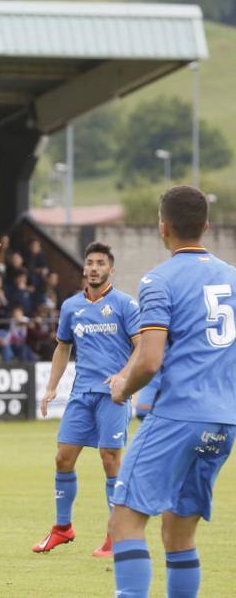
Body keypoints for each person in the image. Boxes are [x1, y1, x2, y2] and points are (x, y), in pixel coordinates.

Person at [108, 186, 236, 598]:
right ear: (206, 226)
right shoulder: (233, 278)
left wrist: (122, 388)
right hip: (223, 420)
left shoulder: (158, 281)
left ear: (162, 227)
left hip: (179, 414)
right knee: (179, 534)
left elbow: (149, 361)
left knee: (125, 520)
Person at [33, 242, 141, 558]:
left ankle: (116, 534)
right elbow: (63, 347)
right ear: (84, 268)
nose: (94, 268)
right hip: (81, 394)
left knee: (110, 460)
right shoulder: (70, 307)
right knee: (63, 458)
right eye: (90, 263)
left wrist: (123, 377)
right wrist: (52, 386)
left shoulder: (125, 304)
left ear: (111, 269)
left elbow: (141, 346)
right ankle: (62, 528)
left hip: (114, 395)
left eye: (100, 263)